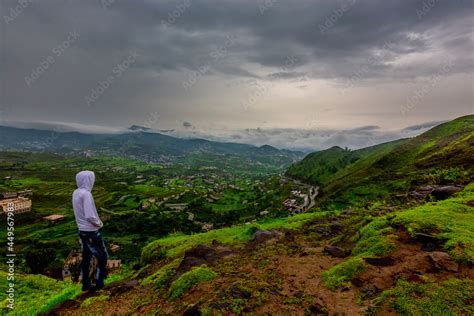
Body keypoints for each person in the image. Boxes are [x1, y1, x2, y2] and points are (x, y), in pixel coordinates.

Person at [72, 170, 108, 292]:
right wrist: (99, 223)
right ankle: (99, 283)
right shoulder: (86, 194)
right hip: (91, 231)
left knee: (86, 258)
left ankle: (85, 284)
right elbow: (90, 215)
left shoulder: (76, 192)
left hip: (82, 230)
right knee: (103, 257)